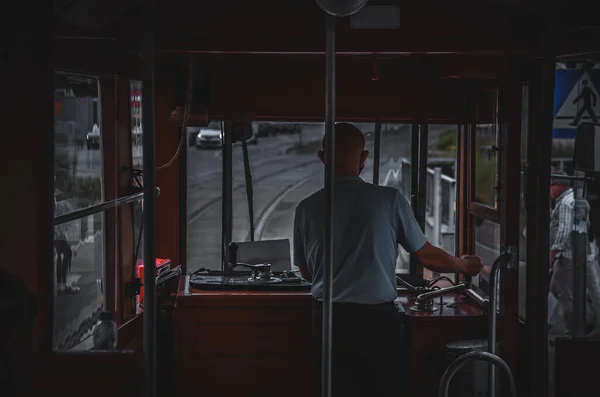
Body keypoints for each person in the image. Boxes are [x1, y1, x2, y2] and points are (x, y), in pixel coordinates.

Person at [293, 122, 482, 397]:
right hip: (376, 323)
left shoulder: (305, 208)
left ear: (323, 158)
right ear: (364, 158)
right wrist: (464, 266)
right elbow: (427, 255)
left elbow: (306, 272)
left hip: (328, 323)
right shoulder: (388, 200)